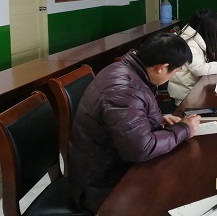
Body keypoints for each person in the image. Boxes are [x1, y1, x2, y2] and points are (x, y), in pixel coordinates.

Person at [69, 32, 201, 213]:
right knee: (183, 188)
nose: (175, 75)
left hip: (112, 164)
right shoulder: (123, 90)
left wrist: (152, 119)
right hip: (103, 183)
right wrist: (185, 129)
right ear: (162, 68)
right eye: (177, 71)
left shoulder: (124, 69)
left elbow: (124, 116)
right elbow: (141, 148)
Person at [169, 9, 217, 105]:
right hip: (188, 96)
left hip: (195, 90)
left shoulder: (194, 37)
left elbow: (201, 58)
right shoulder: (189, 43)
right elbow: (200, 69)